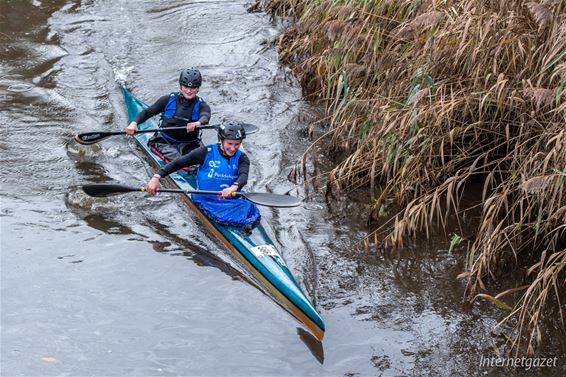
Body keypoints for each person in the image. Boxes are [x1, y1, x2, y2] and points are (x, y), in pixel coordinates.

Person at [145, 121, 261, 226]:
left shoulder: (242, 158)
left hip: (232, 200)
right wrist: (156, 177)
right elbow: (177, 164)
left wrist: (234, 187)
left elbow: (243, 176)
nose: (233, 148)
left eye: (237, 144)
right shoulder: (205, 152)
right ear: (220, 140)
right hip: (207, 200)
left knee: (249, 208)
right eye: (229, 143)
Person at [125, 68, 211, 162]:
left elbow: (205, 117)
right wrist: (134, 123)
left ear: (198, 88)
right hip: (164, 141)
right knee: (180, 160)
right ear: (181, 86)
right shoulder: (167, 100)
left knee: (205, 158)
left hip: (190, 144)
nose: (189, 91)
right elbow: (147, 113)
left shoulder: (202, 105)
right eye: (186, 87)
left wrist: (197, 123)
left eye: (193, 88)